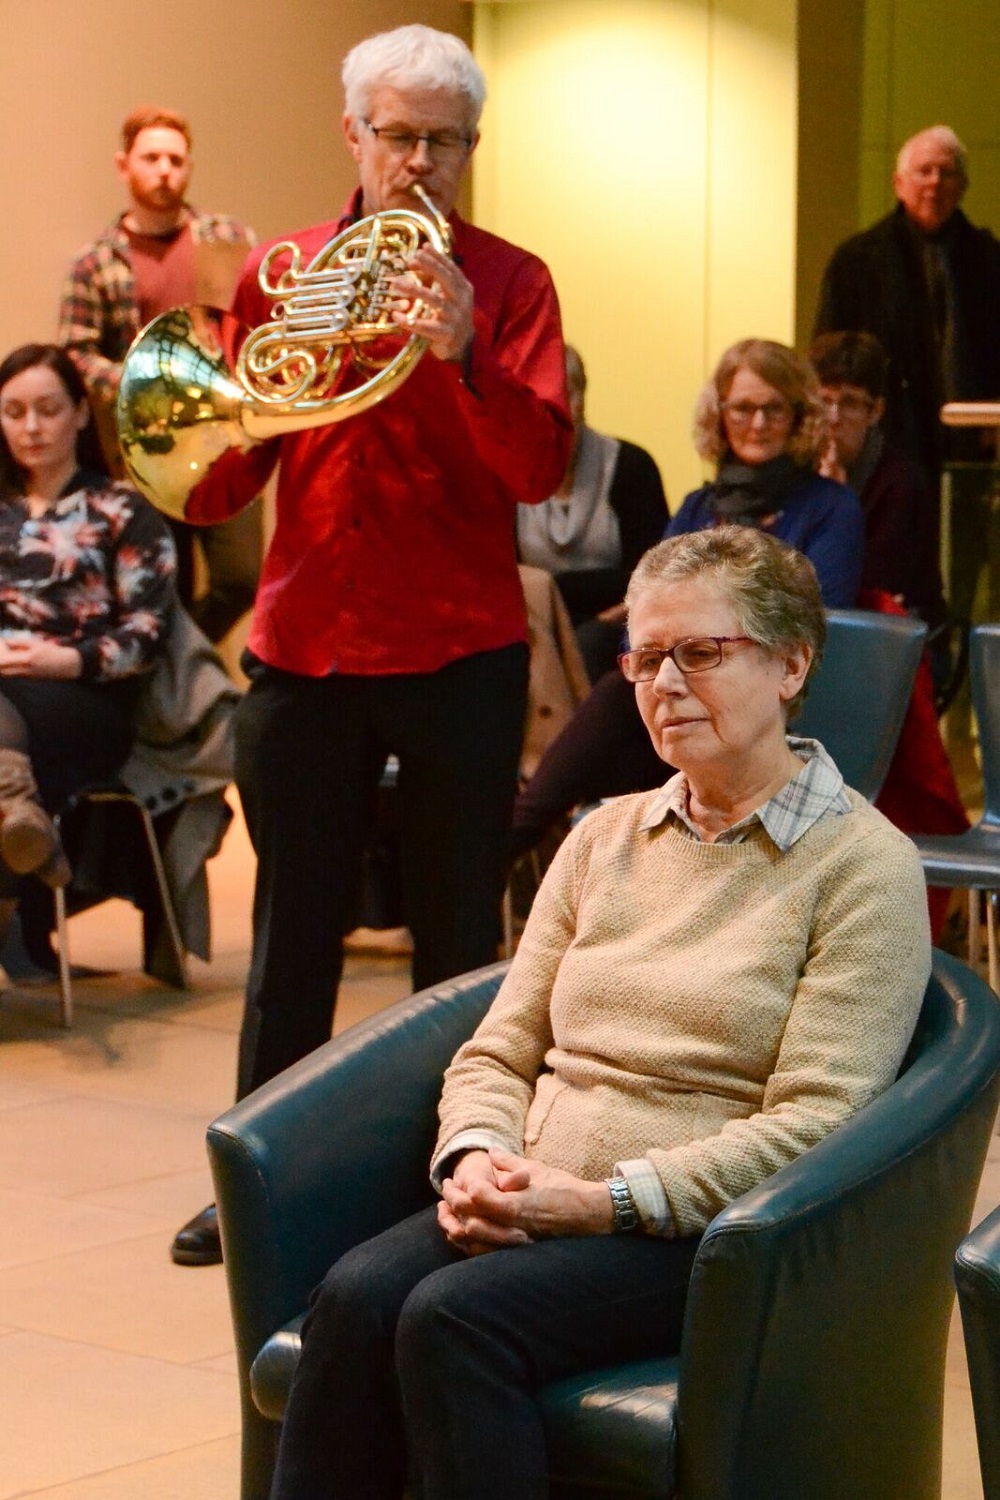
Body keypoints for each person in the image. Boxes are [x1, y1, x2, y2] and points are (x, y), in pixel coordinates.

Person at [268, 524, 931, 1500]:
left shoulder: (862, 865)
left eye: (700, 652)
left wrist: (604, 1200)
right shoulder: (604, 837)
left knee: (452, 1319)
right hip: (534, 1189)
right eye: (645, 658)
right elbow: (499, 1049)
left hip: (703, 1231)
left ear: (791, 664)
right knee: (356, 1295)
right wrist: (474, 1158)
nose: (665, 685)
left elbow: (816, 1122)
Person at [170, 25, 571, 1266]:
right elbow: (231, 469)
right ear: (354, 134)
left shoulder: (510, 283)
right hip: (307, 646)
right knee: (290, 936)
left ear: (471, 148)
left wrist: (464, 356)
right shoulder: (285, 270)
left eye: (444, 140)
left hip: (459, 651)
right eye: (397, 135)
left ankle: (446, 1183)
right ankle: (258, 1185)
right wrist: (192, 439)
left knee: (454, 945)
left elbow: (539, 469)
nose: (418, 161)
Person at [510, 337, 863, 858]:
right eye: (743, 408)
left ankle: (514, 840)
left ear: (799, 416)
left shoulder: (832, 506)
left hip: (774, 700)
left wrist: (703, 644)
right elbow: (647, 617)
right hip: (685, 701)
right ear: (720, 414)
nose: (758, 423)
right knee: (620, 685)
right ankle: (546, 851)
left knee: (619, 703)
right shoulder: (699, 506)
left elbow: (816, 621)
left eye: (774, 409)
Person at [57, 105, 261, 643]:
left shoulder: (229, 239)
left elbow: (260, 326)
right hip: (147, 451)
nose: (165, 170)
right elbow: (76, 354)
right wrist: (141, 385)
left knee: (242, 578)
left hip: (228, 440)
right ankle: (170, 682)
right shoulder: (95, 261)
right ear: (123, 165)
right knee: (166, 587)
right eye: (151, 158)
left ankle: (181, 666)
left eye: (176, 159)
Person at [0, 344, 175, 931]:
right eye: (14, 412)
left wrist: (65, 660)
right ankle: (15, 813)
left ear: (80, 412)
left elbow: (148, 634)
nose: (31, 427)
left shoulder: (122, 508)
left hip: (86, 702)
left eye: (48, 409)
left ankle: (13, 803)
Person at [813, 125, 1000, 632]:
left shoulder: (990, 260)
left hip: (974, 459)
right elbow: (828, 359)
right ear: (899, 183)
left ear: (963, 185)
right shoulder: (857, 260)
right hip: (884, 450)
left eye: (947, 172)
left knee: (972, 585)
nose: (935, 182)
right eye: (924, 171)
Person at [516, 344, 667, 681]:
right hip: (537, 625)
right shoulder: (507, 474)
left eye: (563, 394)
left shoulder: (631, 465)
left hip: (618, 623)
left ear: (582, 398)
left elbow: (651, 573)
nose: (551, 408)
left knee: (590, 644)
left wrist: (557, 588)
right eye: (535, 396)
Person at [809, 329, 946, 628]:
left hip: (895, 630)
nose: (833, 417)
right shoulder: (796, 467)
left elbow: (861, 582)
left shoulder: (899, 482)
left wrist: (837, 504)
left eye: (849, 403)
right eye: (824, 401)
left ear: (875, 411)